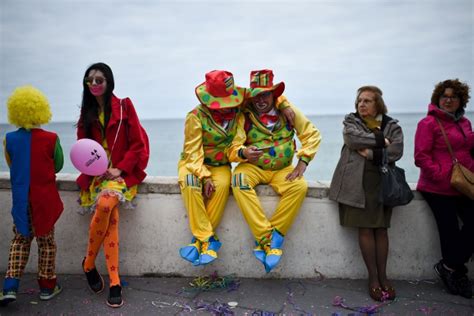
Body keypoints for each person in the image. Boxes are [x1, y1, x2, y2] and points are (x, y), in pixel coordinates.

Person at [178, 70, 295, 266]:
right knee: (190, 183)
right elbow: (193, 152)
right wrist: (204, 176)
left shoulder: (237, 106)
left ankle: (199, 242)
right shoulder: (195, 116)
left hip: (221, 164)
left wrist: (284, 103)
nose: (226, 108)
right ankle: (207, 238)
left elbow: (265, 94)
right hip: (194, 163)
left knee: (222, 186)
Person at [229, 69, 321, 273]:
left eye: (266, 94)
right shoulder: (244, 116)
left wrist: (303, 162)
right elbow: (232, 148)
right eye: (257, 95)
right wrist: (244, 152)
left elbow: (312, 134)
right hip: (254, 167)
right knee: (238, 180)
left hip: (282, 169)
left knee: (299, 187)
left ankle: (275, 235)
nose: (261, 100)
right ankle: (265, 237)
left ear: (274, 95)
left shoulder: (288, 112)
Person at [76, 62, 148, 308]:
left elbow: (138, 143)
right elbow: (81, 152)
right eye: (90, 80)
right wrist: (96, 170)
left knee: (106, 205)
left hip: (121, 175)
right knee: (111, 215)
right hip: (97, 176)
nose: (94, 84)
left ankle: (89, 264)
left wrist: (120, 169)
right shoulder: (85, 114)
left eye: (99, 80)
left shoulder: (125, 106)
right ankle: (114, 281)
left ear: (109, 82)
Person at [329, 86, 403, 301]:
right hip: (356, 183)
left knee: (381, 229)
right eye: (360, 100)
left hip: (382, 183)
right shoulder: (351, 121)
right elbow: (352, 140)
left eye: (367, 101)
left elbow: (397, 151)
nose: (362, 104)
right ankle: (373, 279)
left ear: (377, 104)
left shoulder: (392, 125)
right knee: (364, 229)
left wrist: (371, 153)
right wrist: (381, 142)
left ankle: (384, 277)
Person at [1, 86, 64, 306]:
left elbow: (12, 164)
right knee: (46, 242)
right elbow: (58, 164)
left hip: (21, 199)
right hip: (44, 199)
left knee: (20, 240)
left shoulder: (8, 139)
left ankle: (10, 286)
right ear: (41, 111)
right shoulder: (52, 138)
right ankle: (47, 287)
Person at [414, 79, 473, 299]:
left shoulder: (464, 123)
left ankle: (449, 266)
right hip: (437, 187)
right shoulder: (427, 124)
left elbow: (467, 150)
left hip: (463, 185)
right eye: (444, 96)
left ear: (461, 100)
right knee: (449, 231)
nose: (448, 100)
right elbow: (421, 157)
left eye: (453, 97)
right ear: (437, 99)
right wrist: (441, 175)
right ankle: (456, 273)